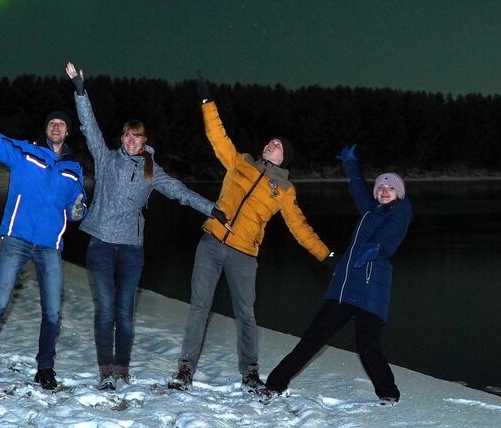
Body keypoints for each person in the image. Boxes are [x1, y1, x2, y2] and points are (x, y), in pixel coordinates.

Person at [66, 62, 226, 390]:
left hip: (131, 249)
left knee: (124, 313)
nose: (130, 141)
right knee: (105, 310)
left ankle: (121, 368)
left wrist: (213, 209)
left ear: (144, 141)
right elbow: (89, 126)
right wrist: (81, 90)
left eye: (136, 137)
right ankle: (104, 369)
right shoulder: (106, 158)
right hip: (99, 243)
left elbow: (180, 192)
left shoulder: (153, 172)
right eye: (126, 135)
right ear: (122, 138)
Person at [170, 80, 331, 392]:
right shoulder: (240, 161)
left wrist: (326, 255)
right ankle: (185, 370)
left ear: (285, 158)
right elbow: (218, 138)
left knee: (246, 315)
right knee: (199, 308)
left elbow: (300, 228)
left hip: (244, 256)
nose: (271, 144)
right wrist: (207, 102)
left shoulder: (284, 190)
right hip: (211, 243)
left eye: (278, 144)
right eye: (269, 141)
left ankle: (250, 374)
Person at [0, 91, 86, 391]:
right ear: (46, 128)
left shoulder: (74, 169)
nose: (56, 127)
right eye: (52, 123)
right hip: (17, 239)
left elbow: (77, 205)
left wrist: (80, 209)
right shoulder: (26, 154)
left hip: (50, 247)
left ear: (68, 131)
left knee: (52, 311)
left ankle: (45, 369)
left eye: (61, 124)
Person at [263, 146, 410, 404]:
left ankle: (388, 394)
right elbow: (357, 190)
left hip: (371, 288)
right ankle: (274, 385)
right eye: (381, 188)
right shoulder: (369, 211)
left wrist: (375, 246)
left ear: (399, 193)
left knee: (367, 345)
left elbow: (391, 232)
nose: (385, 191)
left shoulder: (401, 210)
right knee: (312, 338)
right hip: (344, 286)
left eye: (391, 188)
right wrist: (351, 164)